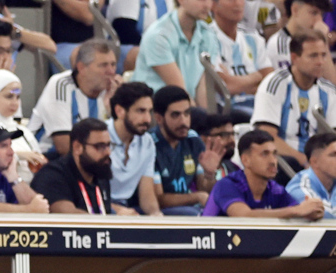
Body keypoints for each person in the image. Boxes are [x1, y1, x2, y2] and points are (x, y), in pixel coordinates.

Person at [252, 30, 336, 172]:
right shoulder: (275, 84)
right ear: (294, 58)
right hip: (282, 160)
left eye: (323, 55)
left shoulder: (329, 91)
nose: (320, 62)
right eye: (313, 56)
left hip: (315, 164)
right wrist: (303, 159)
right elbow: (266, 137)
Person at [28, 38, 120, 156]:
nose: (111, 71)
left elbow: (120, 143)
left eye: (113, 65)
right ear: (81, 67)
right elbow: (64, 146)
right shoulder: (61, 85)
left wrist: (114, 108)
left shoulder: (110, 91)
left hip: (86, 159)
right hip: (45, 158)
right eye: (103, 65)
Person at [203, 128, 325, 217]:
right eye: (265, 154)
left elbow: (300, 211)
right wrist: (296, 211)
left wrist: (311, 211)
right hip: (207, 249)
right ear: (246, 160)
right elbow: (244, 216)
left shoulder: (276, 190)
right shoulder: (227, 185)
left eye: (274, 154)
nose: (273, 161)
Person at [150, 85, 222, 215]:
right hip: (158, 213)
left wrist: (209, 174)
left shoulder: (193, 140)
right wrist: (197, 197)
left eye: (187, 113)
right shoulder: (150, 145)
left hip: (187, 208)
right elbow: (158, 199)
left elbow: (204, 188)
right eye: (175, 115)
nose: (183, 121)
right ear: (159, 118)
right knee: (195, 214)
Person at [132, 0, 220, 99]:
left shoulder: (208, 35)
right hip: (155, 108)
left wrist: (206, 114)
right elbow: (179, 92)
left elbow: (203, 87)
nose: (207, 5)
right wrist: (197, 113)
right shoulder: (159, 36)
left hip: (185, 107)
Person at [30, 118, 116, 214]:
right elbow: (69, 218)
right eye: (99, 146)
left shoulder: (100, 171)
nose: (108, 152)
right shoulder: (53, 174)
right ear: (77, 147)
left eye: (109, 145)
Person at [211, 0, 273, 122]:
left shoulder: (254, 39)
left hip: (261, 108)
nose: (238, 3)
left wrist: (238, 83)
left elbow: (270, 83)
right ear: (213, 5)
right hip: (227, 113)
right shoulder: (207, 38)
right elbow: (226, 86)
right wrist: (256, 77)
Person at [0, 69, 44, 177]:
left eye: (18, 97)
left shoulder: (23, 132)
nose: (15, 102)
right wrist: (18, 156)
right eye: (9, 96)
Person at [107, 81, 162, 215]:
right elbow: (88, 192)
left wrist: (158, 219)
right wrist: (118, 210)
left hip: (128, 207)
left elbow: (147, 197)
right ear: (119, 111)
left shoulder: (147, 142)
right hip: (99, 207)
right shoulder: (99, 137)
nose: (148, 119)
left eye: (150, 111)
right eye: (140, 111)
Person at [265, 0, 335, 75]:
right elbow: (289, 82)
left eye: (322, 15)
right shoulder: (278, 43)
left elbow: (332, 83)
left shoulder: (316, 42)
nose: (319, 20)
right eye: (314, 13)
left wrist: (323, 40)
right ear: (295, 10)